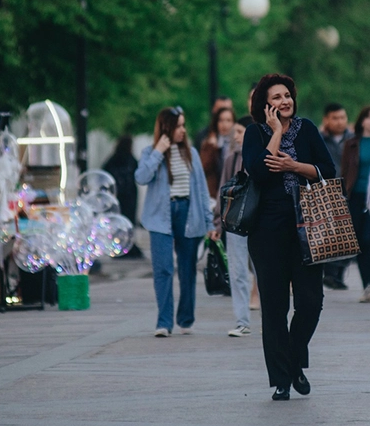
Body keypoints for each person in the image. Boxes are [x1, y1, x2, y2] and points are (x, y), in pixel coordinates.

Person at [242, 73, 336, 401]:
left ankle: (295, 360)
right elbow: (259, 170)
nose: (284, 101)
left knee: (311, 302)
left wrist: (296, 165)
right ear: (265, 105)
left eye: (287, 95)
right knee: (274, 306)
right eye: (276, 98)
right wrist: (277, 132)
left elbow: (328, 170)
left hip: (308, 224)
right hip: (267, 231)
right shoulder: (255, 133)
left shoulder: (308, 128)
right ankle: (281, 379)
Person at [134, 106, 213, 337]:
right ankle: (164, 322)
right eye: (178, 126)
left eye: (183, 125)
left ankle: (186, 319)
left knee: (187, 269)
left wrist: (209, 223)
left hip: (189, 214)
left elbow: (200, 190)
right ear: (167, 128)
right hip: (160, 217)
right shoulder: (150, 153)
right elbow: (141, 177)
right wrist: (159, 151)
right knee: (163, 269)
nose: (183, 130)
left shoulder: (192, 153)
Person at [209, 115, 258, 337]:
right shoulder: (231, 159)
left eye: (240, 132)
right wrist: (218, 224)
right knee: (238, 272)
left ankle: (273, 320)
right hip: (236, 223)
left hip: (260, 224)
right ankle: (242, 321)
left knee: (263, 272)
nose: (235, 136)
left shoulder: (262, 156)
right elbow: (223, 192)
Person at [340, 106, 370, 302]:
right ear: (361, 121)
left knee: (369, 238)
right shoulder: (351, 144)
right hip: (355, 196)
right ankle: (366, 286)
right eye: (369, 117)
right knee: (358, 240)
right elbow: (344, 171)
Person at [319, 103, 355, 290]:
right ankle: (332, 274)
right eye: (335, 118)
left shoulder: (353, 139)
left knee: (351, 232)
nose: (340, 122)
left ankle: (337, 273)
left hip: (350, 189)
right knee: (330, 235)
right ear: (326, 119)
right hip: (327, 190)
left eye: (342, 117)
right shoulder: (320, 139)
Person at [102, 136, 143, 259]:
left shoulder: (114, 160)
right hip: (129, 195)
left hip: (119, 196)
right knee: (128, 221)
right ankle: (126, 245)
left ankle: (120, 244)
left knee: (120, 222)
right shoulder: (130, 160)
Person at [200, 106, 236, 200]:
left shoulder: (238, 144)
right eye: (221, 120)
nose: (224, 124)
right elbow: (203, 168)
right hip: (214, 195)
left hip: (233, 193)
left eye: (228, 120)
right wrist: (211, 148)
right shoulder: (209, 144)